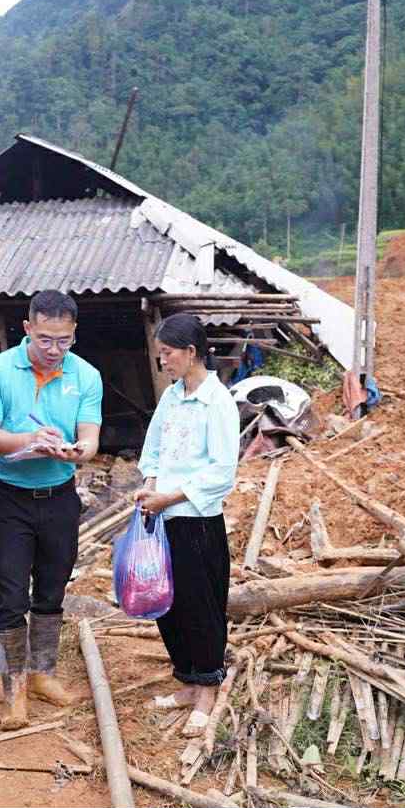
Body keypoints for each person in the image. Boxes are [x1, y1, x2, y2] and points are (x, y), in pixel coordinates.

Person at [0, 290, 103, 729]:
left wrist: (76, 450)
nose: (53, 350)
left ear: (74, 335)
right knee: (12, 595)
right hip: (10, 499)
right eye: (45, 339)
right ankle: (13, 690)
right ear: (27, 328)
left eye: (63, 341)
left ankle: (42, 673)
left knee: (52, 589)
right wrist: (30, 442)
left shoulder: (86, 375)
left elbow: (90, 436)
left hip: (61, 497)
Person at [133, 313, 240, 738]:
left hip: (196, 522)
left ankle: (208, 690)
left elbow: (221, 471)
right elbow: (153, 447)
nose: (164, 362)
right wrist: (149, 483)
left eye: (168, 353)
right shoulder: (172, 398)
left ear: (192, 352)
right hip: (161, 518)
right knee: (168, 604)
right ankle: (186, 681)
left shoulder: (218, 402)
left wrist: (170, 497)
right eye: (160, 354)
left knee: (201, 607)